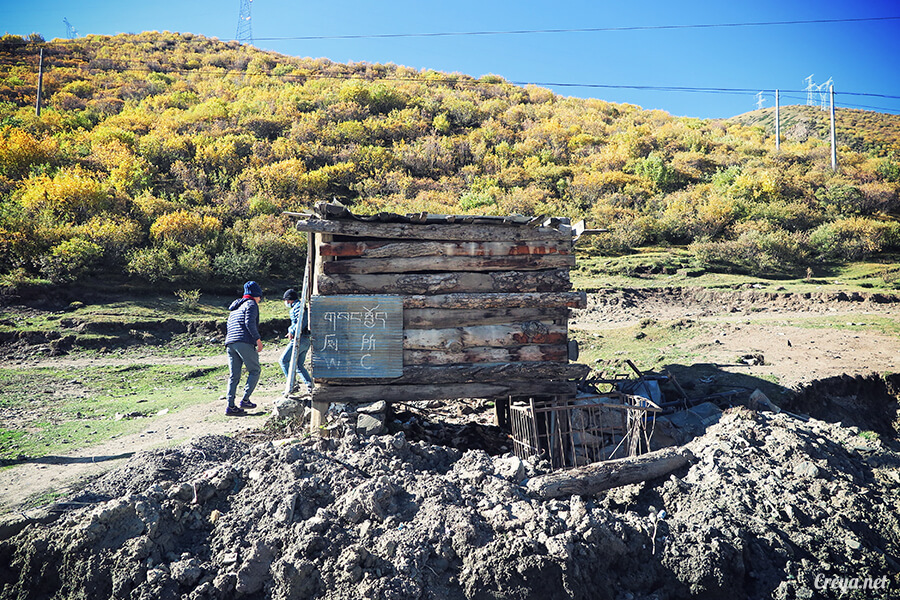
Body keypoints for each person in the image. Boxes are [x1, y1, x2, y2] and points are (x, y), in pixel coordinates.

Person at [223, 281, 264, 415]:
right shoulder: (251, 304)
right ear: (256, 295)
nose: (260, 300)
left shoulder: (235, 307)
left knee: (234, 376)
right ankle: (245, 400)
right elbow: (249, 323)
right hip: (244, 341)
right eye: (259, 296)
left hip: (230, 342)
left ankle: (230, 406)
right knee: (255, 370)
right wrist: (258, 340)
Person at [280, 288, 314, 394]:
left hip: (300, 339)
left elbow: (301, 321)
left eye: (286, 300)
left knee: (283, 360)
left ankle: (292, 385)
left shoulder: (298, 307)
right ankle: (310, 385)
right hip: (306, 340)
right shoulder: (300, 306)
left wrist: (292, 331)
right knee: (299, 365)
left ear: (289, 300)